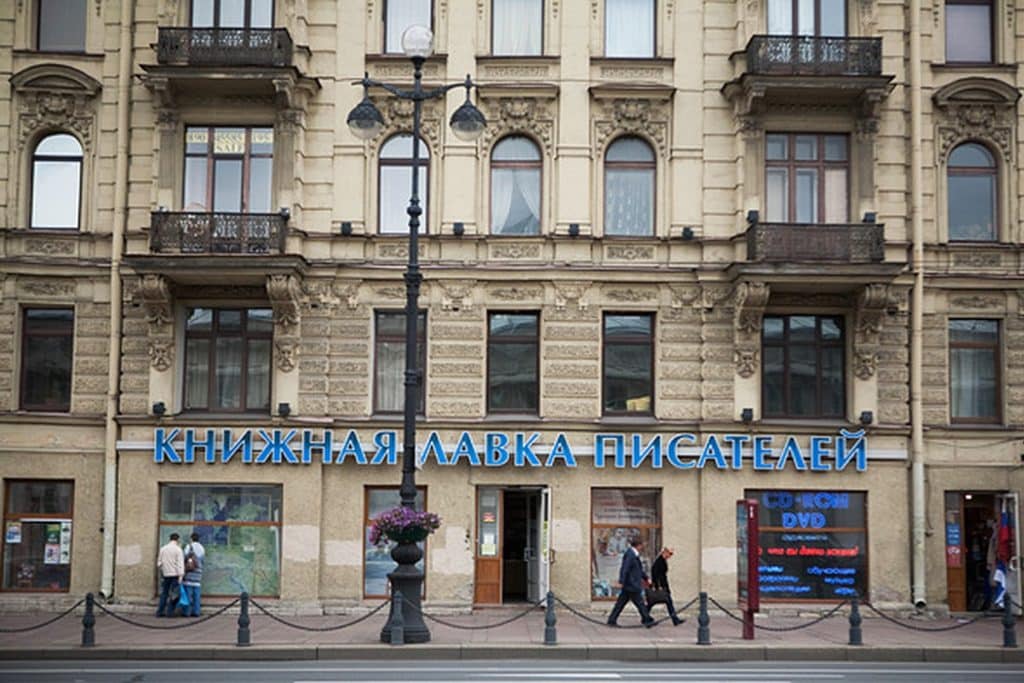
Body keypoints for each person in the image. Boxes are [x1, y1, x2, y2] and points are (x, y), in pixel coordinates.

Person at [606, 537, 655, 627]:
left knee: (621, 604)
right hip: (631, 584)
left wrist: (646, 578)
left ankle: (612, 620)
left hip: (630, 584)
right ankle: (647, 620)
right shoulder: (630, 554)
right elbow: (625, 568)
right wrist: (621, 580)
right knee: (640, 603)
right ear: (639, 545)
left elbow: (638, 569)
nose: (643, 547)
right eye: (642, 545)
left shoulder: (633, 554)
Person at [649, 547, 685, 626]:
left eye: (671, 554)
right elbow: (655, 573)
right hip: (661, 586)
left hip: (663, 585)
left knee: (666, 602)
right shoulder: (659, 561)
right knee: (653, 603)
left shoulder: (662, 561)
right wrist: (657, 586)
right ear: (664, 552)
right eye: (669, 554)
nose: (670, 556)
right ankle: (645, 618)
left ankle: (675, 619)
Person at [155, 532, 184, 617]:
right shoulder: (178, 549)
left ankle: (160, 611)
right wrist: (181, 576)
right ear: (177, 539)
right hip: (175, 574)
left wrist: (163, 569)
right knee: (174, 594)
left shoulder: (163, 548)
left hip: (165, 574)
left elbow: (159, 563)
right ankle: (170, 612)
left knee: (164, 593)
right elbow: (180, 564)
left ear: (170, 539)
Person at [182, 532, 206, 617]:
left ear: (191, 538)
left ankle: (187, 612)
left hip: (189, 573)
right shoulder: (202, 548)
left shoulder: (189, 547)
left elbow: (184, 558)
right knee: (197, 596)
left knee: (188, 595)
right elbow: (203, 561)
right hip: (198, 574)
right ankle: (196, 612)